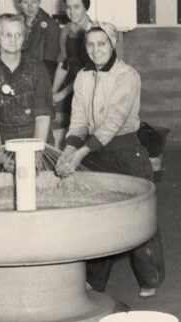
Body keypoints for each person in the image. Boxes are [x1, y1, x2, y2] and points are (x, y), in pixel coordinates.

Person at [55, 23, 165, 297]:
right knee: (100, 214)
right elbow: (79, 121)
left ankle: (150, 276)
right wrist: (69, 149)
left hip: (126, 150)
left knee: (139, 214)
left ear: (113, 43)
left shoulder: (126, 76)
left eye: (101, 44)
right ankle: (97, 279)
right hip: (95, 151)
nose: (95, 50)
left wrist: (80, 153)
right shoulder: (82, 77)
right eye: (90, 45)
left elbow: (113, 123)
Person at [0, 13, 53, 168]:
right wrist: (1, 157)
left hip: (38, 142)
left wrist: (36, 155)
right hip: (2, 146)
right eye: (7, 34)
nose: (13, 40)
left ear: (25, 37)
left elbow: (43, 117)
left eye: (19, 35)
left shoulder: (38, 69)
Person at [51, 0, 94, 148]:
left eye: (76, 6)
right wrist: (53, 92)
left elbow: (88, 73)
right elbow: (64, 63)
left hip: (90, 88)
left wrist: (61, 94)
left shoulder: (94, 31)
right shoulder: (66, 31)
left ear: (86, 7)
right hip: (71, 86)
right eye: (68, 7)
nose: (71, 11)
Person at [15, 0, 62, 79]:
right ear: (19, 3)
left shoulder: (51, 25)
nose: (30, 6)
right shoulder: (14, 23)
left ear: (39, 1)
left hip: (39, 79)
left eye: (33, 2)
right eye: (25, 2)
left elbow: (50, 63)